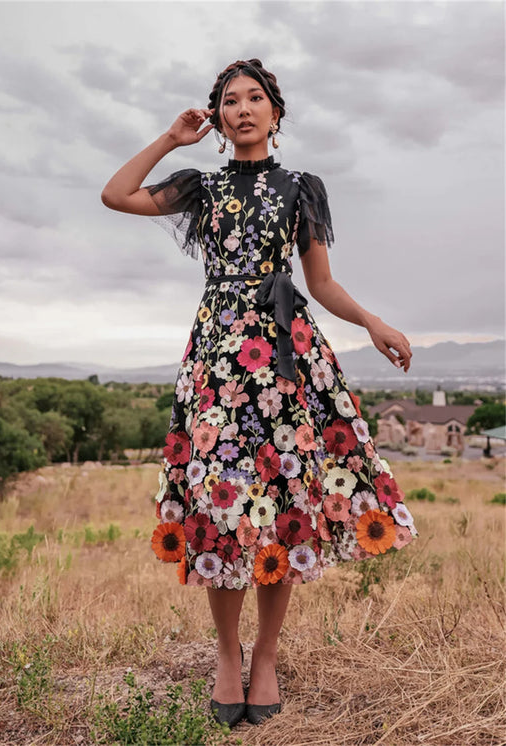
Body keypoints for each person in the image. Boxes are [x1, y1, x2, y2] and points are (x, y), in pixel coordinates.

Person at [101, 58, 419, 729]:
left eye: (254, 98)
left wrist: (372, 322)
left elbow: (322, 283)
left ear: (276, 112)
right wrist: (168, 138)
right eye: (227, 101)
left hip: (282, 357)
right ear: (216, 118)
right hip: (218, 362)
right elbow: (115, 196)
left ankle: (266, 657)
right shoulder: (201, 187)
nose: (241, 109)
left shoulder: (302, 188)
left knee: (278, 509)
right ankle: (225, 655)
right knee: (220, 511)